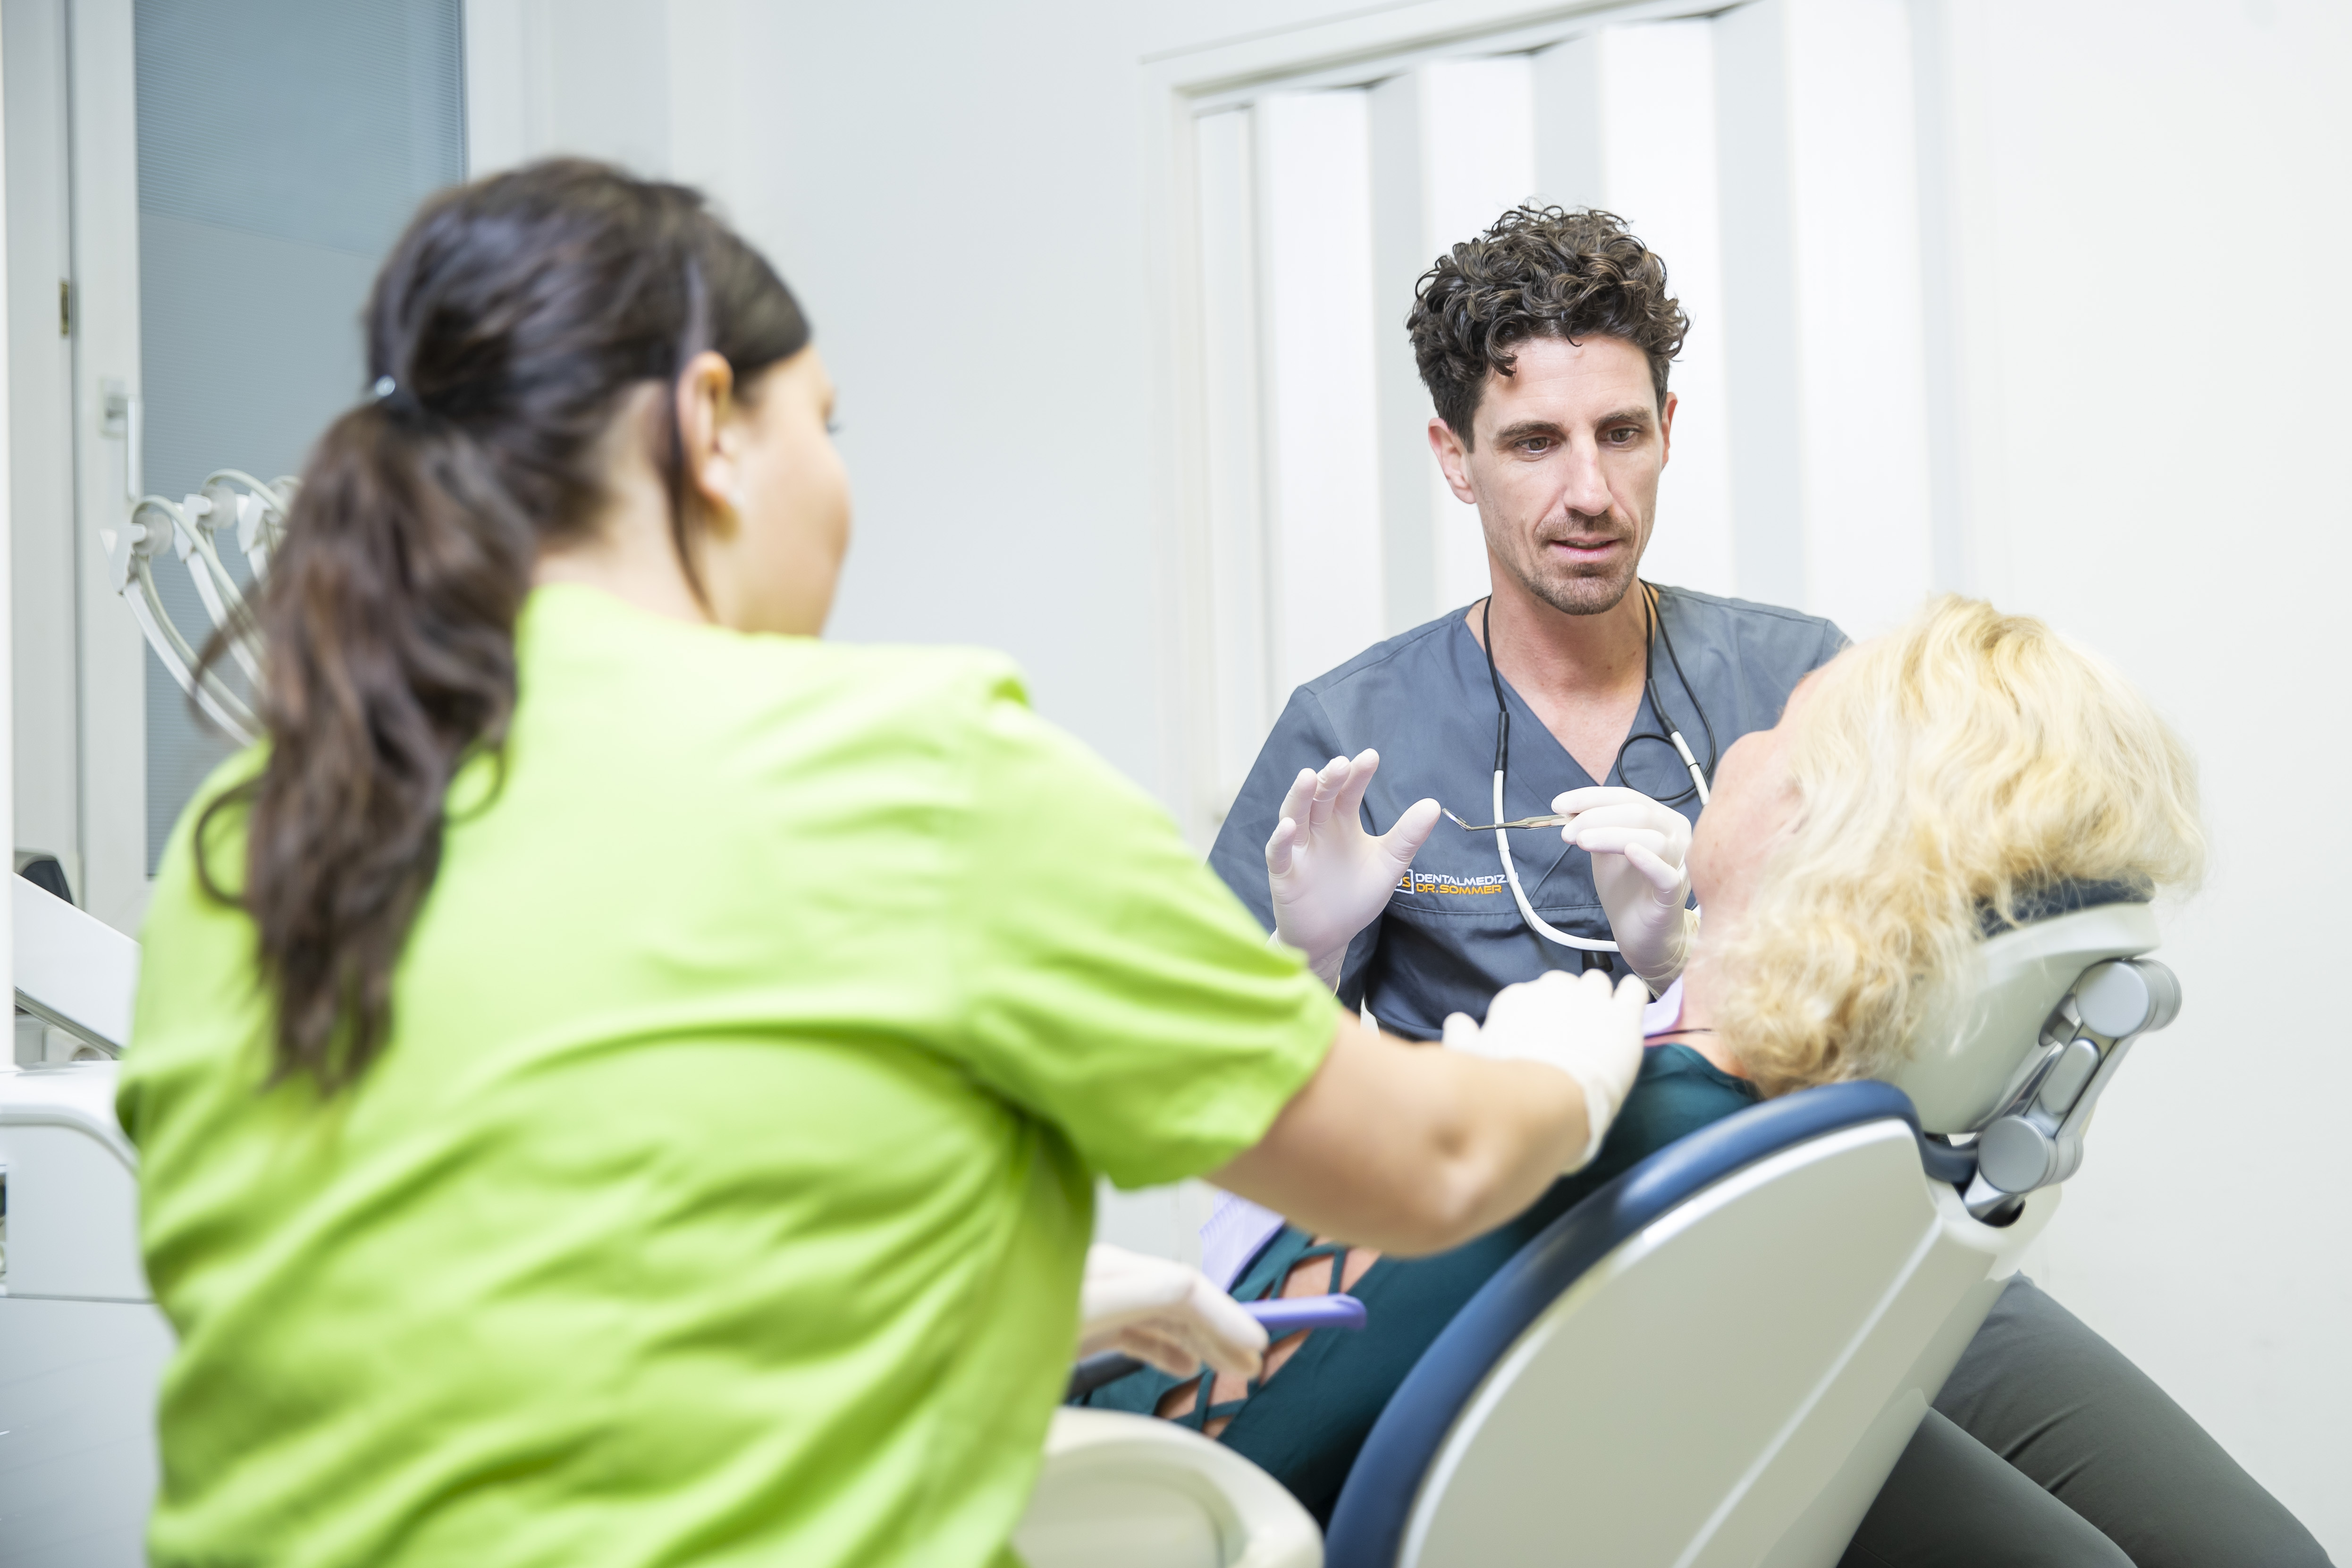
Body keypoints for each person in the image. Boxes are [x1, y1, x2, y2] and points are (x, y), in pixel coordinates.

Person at [113, 161, 1657, 1568]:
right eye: (826, 426)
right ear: (709, 425)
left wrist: (1016, 1302)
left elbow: (547, 1283)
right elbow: (1431, 1163)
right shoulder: (920, 774)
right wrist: (1570, 1064)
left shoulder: (249, 836)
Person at [1198, 210, 2331, 1565]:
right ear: (1455, 455)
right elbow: (1216, 1104)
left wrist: (1681, 957)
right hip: (1559, 1296)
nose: (1590, 490)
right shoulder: (1351, 732)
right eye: (1535, 442)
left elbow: (1939, 1010)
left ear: (1669, 427)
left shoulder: (1804, 686)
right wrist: (1308, 958)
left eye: (1622, 433)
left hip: (1834, 1223)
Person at [1111, 599, 2330, 1566]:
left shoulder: (1578, 1124)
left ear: (1816, 824)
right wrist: (1311, 961)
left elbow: (1227, 1432)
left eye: (1780, 729)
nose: (1736, 745)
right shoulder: (1812, 1145)